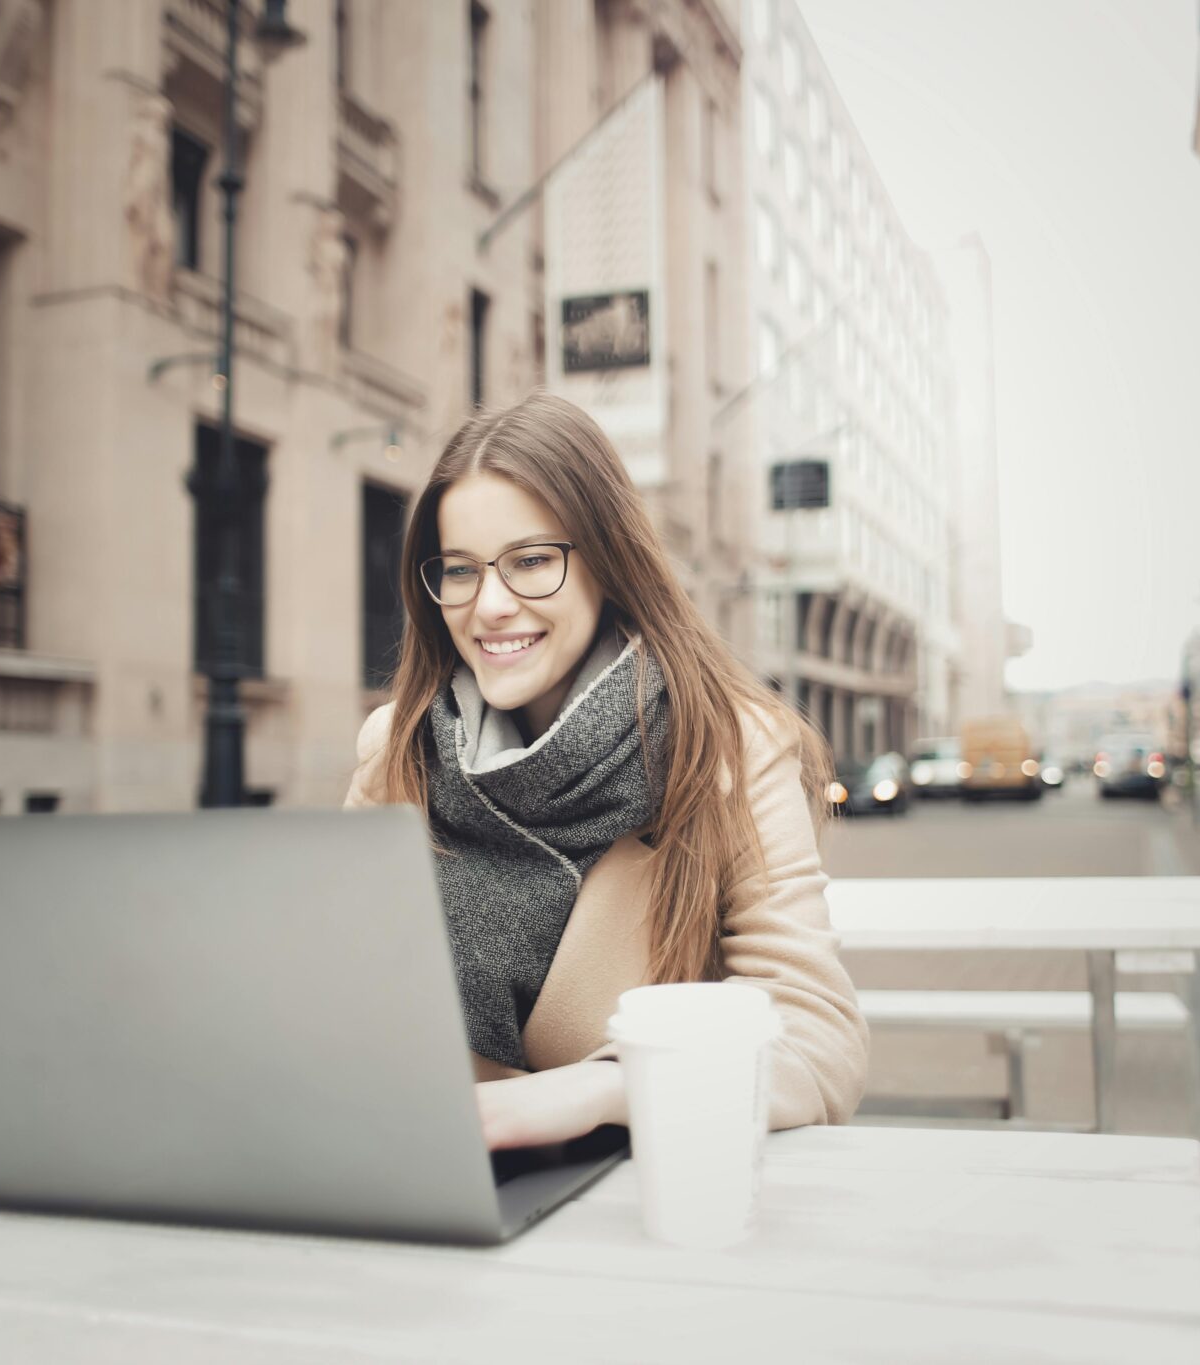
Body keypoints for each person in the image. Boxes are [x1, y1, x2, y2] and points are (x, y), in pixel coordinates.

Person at [343, 390, 868, 1151]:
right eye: (459, 570)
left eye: (530, 561)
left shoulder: (729, 748)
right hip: (419, 1172)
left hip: (636, 1193)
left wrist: (604, 1087)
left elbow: (817, 1040)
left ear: (609, 563)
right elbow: (341, 993)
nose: (489, 604)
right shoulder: (395, 751)